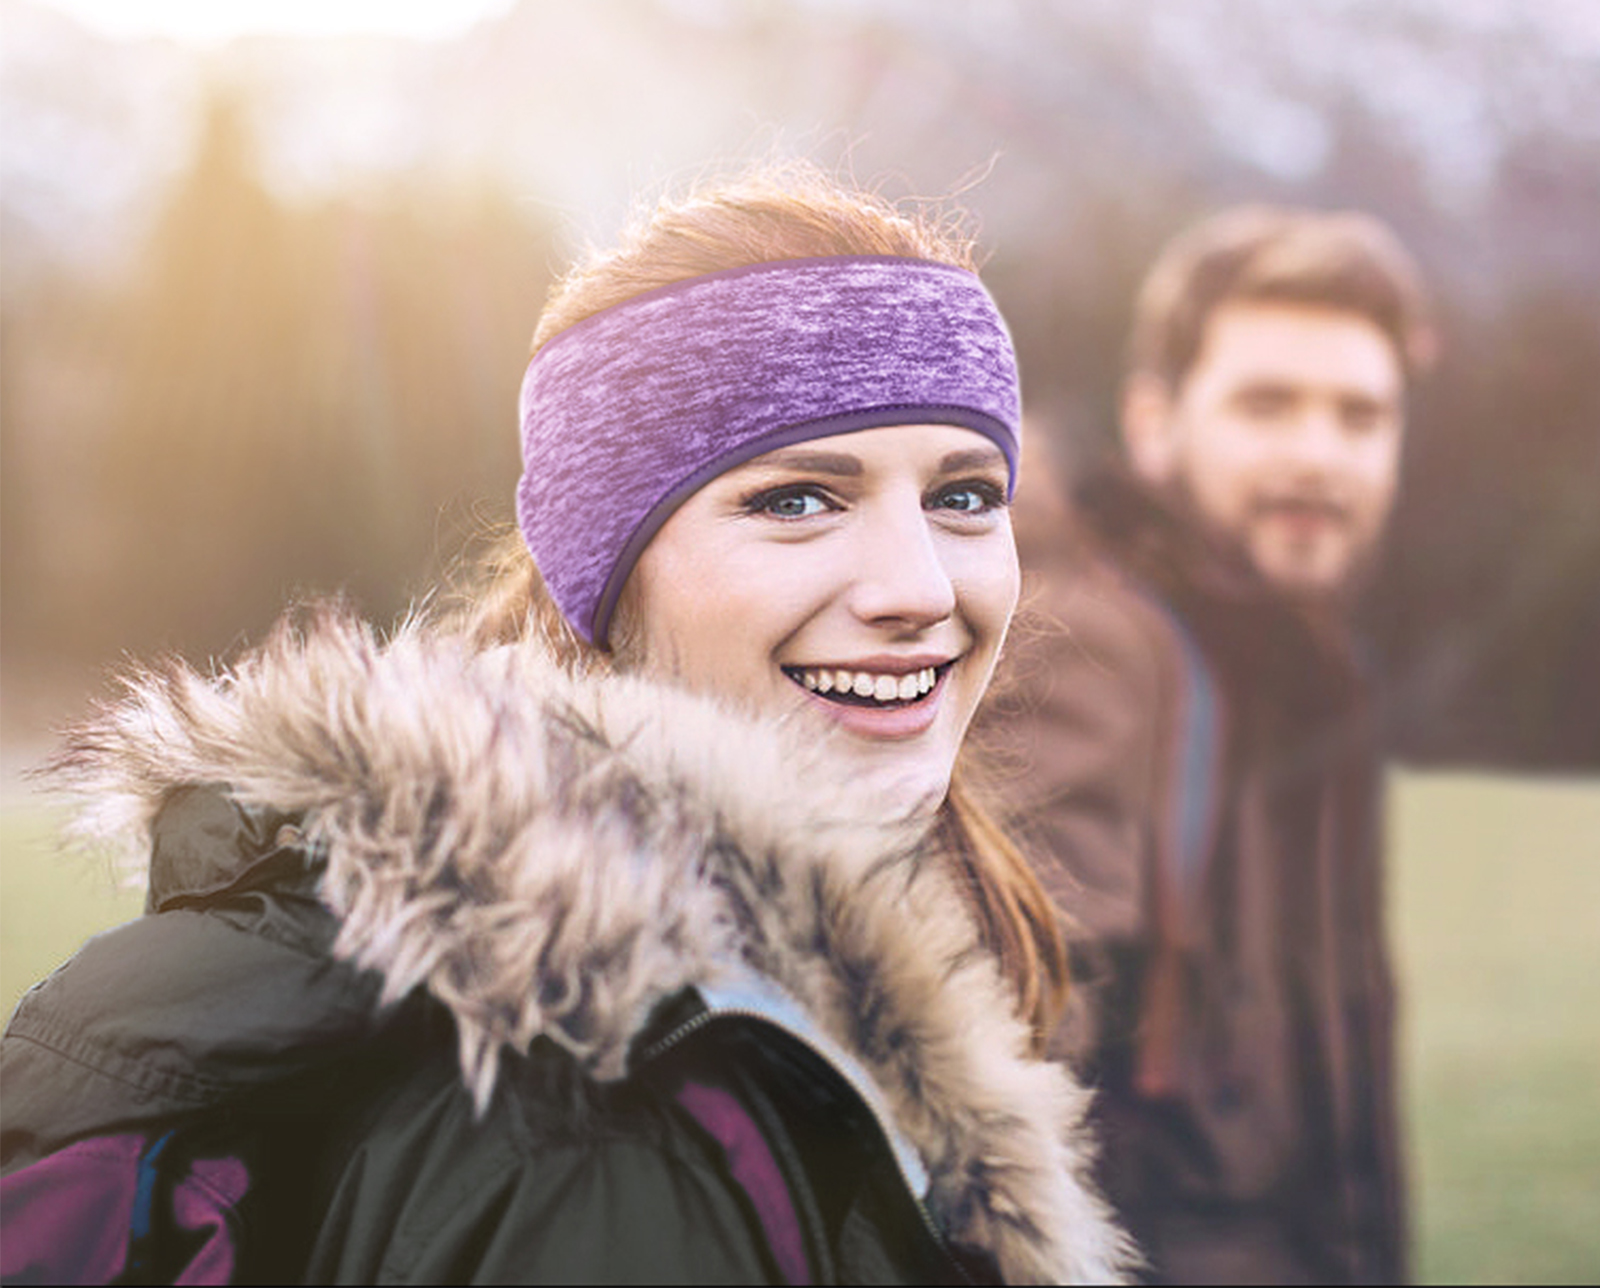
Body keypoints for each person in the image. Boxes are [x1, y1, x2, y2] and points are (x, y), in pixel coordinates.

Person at [0, 170, 1133, 1286]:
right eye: (797, 499)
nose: (921, 586)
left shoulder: (828, 986)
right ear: (602, 569)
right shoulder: (601, 1108)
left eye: (965, 495)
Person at [980, 205, 1436, 1285]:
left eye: (1359, 416)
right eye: (1266, 405)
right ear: (1154, 422)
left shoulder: (1309, 673)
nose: (1318, 454)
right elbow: (998, 1087)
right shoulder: (1091, 643)